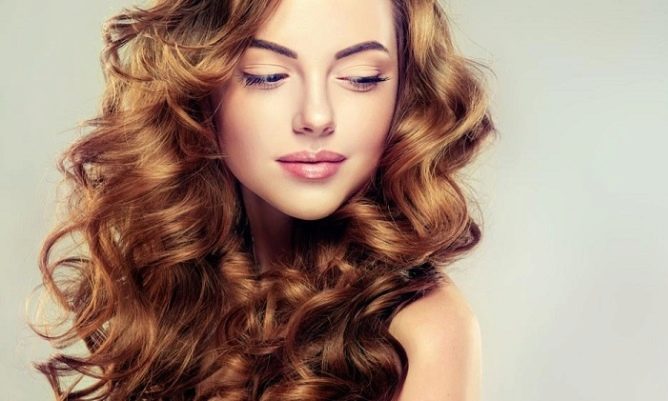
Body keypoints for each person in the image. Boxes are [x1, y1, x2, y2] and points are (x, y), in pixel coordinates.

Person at [31, 0, 496, 400]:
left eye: (361, 78)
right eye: (267, 76)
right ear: (200, 86)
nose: (316, 116)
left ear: (406, 93)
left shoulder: (425, 330)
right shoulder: (173, 290)